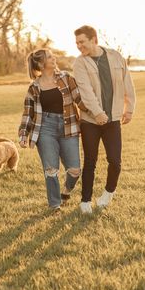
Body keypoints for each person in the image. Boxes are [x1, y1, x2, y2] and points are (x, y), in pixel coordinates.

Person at [73, 25, 136, 213]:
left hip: (113, 120)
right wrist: (97, 113)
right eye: (76, 43)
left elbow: (127, 83)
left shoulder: (116, 57)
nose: (79, 46)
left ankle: (109, 192)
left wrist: (129, 109)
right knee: (90, 161)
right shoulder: (79, 63)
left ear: (94, 40)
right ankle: (85, 201)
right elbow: (86, 91)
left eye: (82, 42)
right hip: (90, 121)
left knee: (115, 161)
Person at [18, 48, 87, 212]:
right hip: (45, 129)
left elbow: (80, 100)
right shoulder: (34, 87)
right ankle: (55, 205)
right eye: (49, 57)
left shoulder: (66, 78)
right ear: (41, 64)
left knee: (75, 170)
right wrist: (23, 134)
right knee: (51, 170)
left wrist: (97, 114)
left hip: (68, 127)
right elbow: (28, 113)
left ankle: (66, 191)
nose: (53, 58)